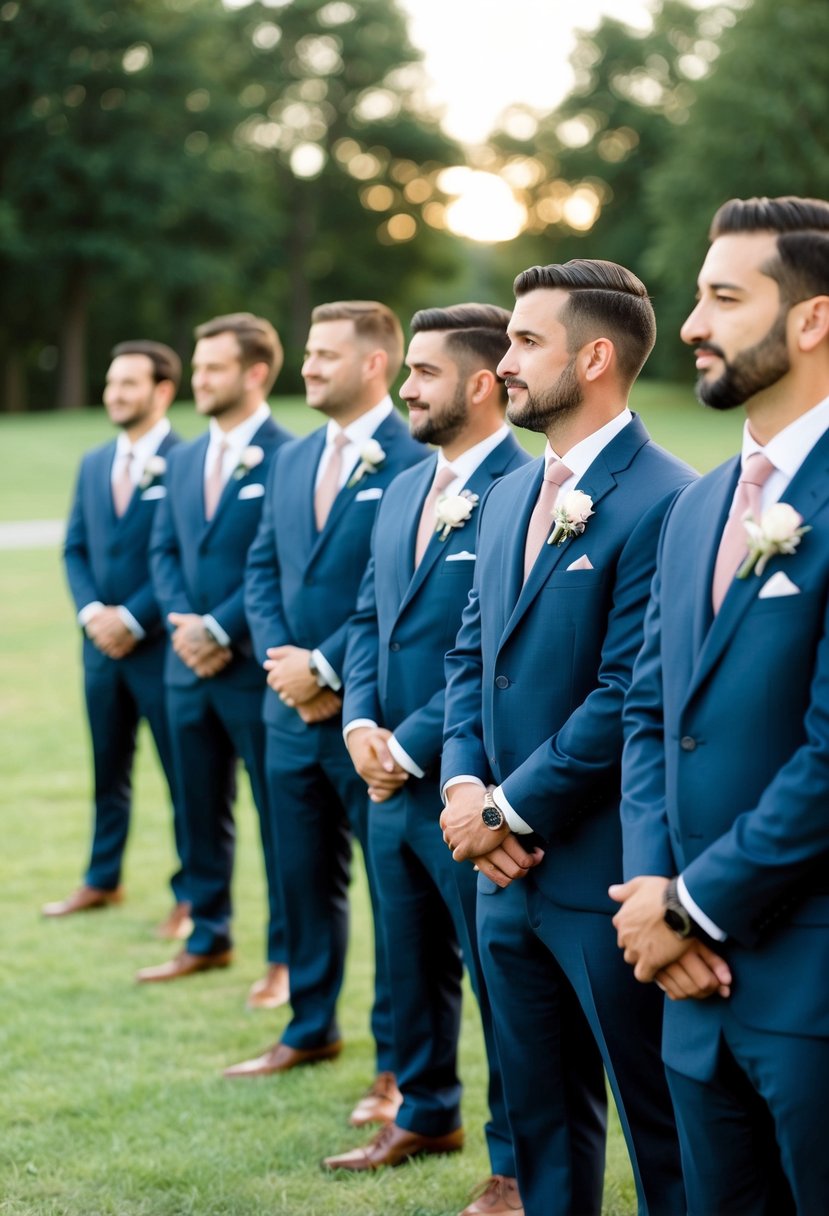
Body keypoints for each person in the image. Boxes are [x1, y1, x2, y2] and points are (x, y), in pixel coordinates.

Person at [439, 261, 694, 1216]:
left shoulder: (667, 498)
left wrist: (508, 808)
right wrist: (464, 790)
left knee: (660, 1131)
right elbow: (470, 658)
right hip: (500, 875)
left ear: (593, 357)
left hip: (600, 876)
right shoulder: (510, 492)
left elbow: (629, 693)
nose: (502, 363)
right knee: (540, 1124)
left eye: (523, 342)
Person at [611, 196, 829, 1216]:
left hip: (811, 986)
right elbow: (654, 713)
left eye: (721, 297)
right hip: (688, 992)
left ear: (810, 320)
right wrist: (653, 889)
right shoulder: (698, 503)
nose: (691, 322)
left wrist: (692, 908)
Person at [323, 304, 529, 1214]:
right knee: (407, 960)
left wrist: (408, 744)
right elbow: (370, 616)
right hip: (381, 776)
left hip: (463, 783)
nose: (404, 387)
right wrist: (359, 723)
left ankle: (517, 1158)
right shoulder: (408, 484)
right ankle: (425, 1109)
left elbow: (499, 655)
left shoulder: (527, 492)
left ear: (480, 384)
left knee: (502, 982)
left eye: (423, 372)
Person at [226, 302, 426, 1122]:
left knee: (395, 903)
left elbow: (405, 593)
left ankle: (397, 1070)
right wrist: (283, 662)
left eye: (323, 355)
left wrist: (327, 666)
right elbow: (262, 568)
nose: (305, 368)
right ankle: (309, 1025)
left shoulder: (417, 453)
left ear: (375, 363)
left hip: (367, 718)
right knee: (301, 879)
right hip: (285, 713)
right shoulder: (294, 454)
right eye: (306, 353)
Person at [136, 313, 293, 1009]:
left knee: (278, 818)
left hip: (250, 668)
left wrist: (220, 628)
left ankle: (287, 955)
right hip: (183, 667)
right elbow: (163, 550)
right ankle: (206, 934)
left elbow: (280, 561)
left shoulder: (291, 456)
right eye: (196, 369)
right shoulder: (184, 457)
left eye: (212, 369)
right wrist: (182, 625)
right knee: (195, 807)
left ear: (254, 373)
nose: (197, 381)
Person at [47, 341, 189, 937]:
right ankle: (103, 878)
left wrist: (132, 619)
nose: (114, 394)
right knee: (109, 769)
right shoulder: (93, 461)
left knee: (187, 777)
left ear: (161, 391)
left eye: (128, 384)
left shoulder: (187, 460)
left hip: (160, 649)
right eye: (111, 383)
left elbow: (182, 559)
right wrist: (91, 616)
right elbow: (74, 546)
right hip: (98, 652)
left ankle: (192, 895)